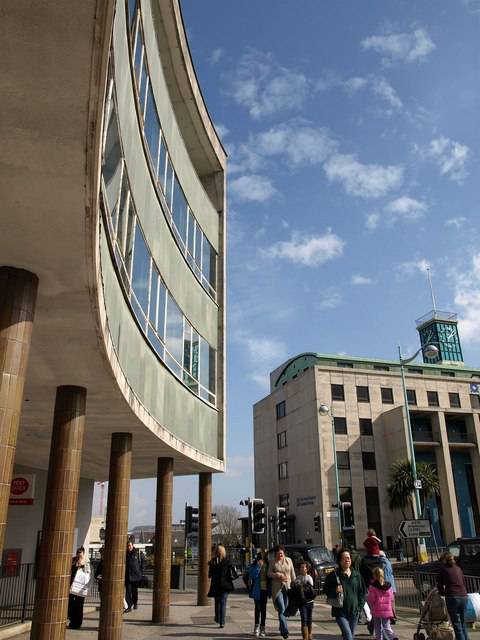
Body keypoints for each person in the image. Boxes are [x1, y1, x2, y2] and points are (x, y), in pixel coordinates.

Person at [324, 547, 366, 640]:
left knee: (350, 636)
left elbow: (362, 593)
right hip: (340, 612)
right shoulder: (334, 575)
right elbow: (326, 590)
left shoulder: (356, 575)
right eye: (344, 558)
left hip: (354, 612)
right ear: (340, 561)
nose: (347, 560)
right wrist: (335, 590)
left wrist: (359, 608)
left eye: (349, 558)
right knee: (348, 637)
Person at [437, 552, 469, 640]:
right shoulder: (459, 569)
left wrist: (443, 593)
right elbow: (463, 582)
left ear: (444, 561)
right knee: (463, 623)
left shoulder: (443, 569)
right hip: (464, 596)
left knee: (457, 624)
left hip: (452, 597)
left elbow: (439, 585)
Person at [268, 544, 296, 639]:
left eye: (282, 553)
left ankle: (281, 627)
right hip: (277, 589)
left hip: (287, 588)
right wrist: (277, 575)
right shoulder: (272, 562)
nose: (280, 555)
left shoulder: (289, 560)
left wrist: (295, 585)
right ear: (276, 553)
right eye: (279, 553)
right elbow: (269, 574)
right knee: (282, 609)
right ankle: (285, 631)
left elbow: (292, 574)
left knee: (285, 609)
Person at [208, 544, 235, 628]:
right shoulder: (227, 561)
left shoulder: (213, 562)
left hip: (216, 585)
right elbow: (233, 572)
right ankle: (221, 621)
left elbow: (210, 575)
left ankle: (219, 619)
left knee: (218, 602)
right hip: (225, 585)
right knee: (222, 603)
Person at [366, 567, 397, 640]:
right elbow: (391, 597)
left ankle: (379, 638)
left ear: (374, 576)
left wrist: (368, 598)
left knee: (377, 627)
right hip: (387, 610)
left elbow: (372, 599)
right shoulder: (388, 585)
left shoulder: (373, 586)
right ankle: (393, 637)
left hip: (376, 609)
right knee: (386, 626)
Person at [68, 547, 91, 629]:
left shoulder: (87, 563)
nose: (79, 557)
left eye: (80, 556)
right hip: (72, 587)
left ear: (83, 554)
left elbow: (87, 575)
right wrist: (76, 566)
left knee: (79, 606)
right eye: (78, 555)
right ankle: (72, 620)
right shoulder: (73, 560)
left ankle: (77, 623)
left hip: (81, 589)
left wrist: (82, 566)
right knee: (71, 605)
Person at [248, 551, 269, 638]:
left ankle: (262, 628)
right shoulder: (254, 565)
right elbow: (253, 576)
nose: (262, 559)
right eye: (261, 557)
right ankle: (256, 627)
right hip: (257, 590)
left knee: (263, 610)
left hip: (265, 590)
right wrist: (258, 567)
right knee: (257, 609)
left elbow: (269, 577)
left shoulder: (267, 565)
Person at [294, 561, 316, 640]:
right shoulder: (298, 578)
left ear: (307, 569)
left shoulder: (309, 578)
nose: (303, 568)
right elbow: (295, 587)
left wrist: (303, 586)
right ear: (299, 569)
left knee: (309, 619)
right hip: (302, 602)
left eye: (304, 567)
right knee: (304, 618)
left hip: (310, 602)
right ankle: (305, 637)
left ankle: (310, 634)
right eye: (301, 567)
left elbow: (311, 588)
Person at [125, 541, 145, 612]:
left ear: (133, 546)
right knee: (127, 592)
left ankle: (135, 603)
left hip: (136, 576)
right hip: (127, 576)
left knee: (134, 591)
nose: (129, 547)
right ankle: (129, 606)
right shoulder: (125, 553)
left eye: (130, 546)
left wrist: (141, 573)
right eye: (128, 546)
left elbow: (143, 563)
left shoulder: (137, 553)